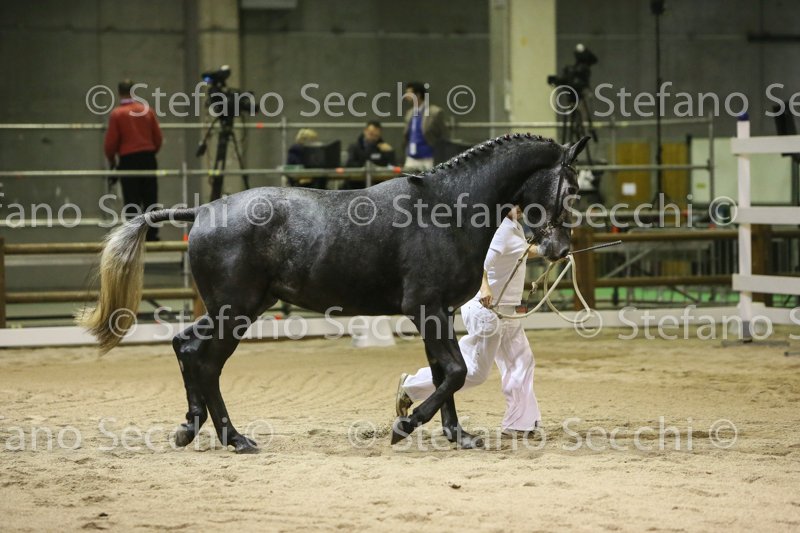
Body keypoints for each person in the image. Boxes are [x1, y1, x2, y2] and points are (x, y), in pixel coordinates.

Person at [396, 205, 541, 435]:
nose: (521, 208)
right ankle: (411, 387)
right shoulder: (502, 229)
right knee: (474, 372)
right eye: (516, 203)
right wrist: (484, 287)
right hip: (487, 309)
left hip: (506, 310)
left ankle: (520, 423)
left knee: (521, 361)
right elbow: (480, 261)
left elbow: (521, 250)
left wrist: (551, 250)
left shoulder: (513, 226)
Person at [104, 79, 163, 241]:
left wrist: (112, 160)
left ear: (119, 93)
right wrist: (151, 152)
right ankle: (152, 234)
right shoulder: (147, 110)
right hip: (148, 157)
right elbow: (158, 137)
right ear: (133, 91)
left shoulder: (117, 114)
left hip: (128, 159)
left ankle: (134, 236)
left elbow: (110, 143)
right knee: (150, 196)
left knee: (132, 198)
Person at [402, 81, 447, 171]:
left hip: (428, 156)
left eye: (409, 93)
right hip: (411, 155)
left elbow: (443, 134)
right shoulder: (410, 113)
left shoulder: (434, 112)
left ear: (418, 95)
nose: (406, 96)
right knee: (407, 176)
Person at [343, 121, 395, 189]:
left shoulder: (383, 148)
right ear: (365, 131)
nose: (373, 137)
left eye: (376, 135)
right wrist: (365, 163)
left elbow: (392, 167)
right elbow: (349, 164)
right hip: (356, 184)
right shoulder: (355, 147)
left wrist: (390, 152)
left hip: (378, 184)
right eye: (371, 134)